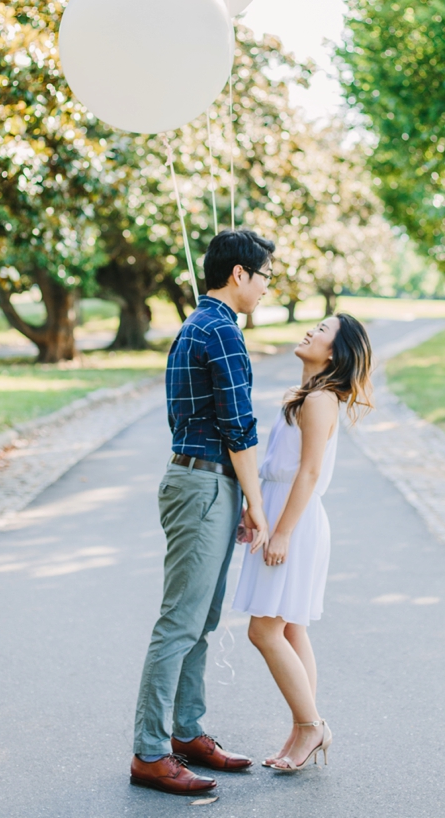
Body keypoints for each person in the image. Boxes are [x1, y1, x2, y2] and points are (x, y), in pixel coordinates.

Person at [130, 229, 276, 796]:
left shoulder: (199, 326)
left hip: (202, 482)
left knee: (201, 620)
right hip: (202, 485)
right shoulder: (222, 332)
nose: (266, 287)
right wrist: (257, 507)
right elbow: (239, 428)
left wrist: (236, 498)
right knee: (180, 622)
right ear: (238, 274)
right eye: (264, 276)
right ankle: (149, 750)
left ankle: (187, 733)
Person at [232, 312, 373, 772]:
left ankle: (312, 726)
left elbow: (309, 473)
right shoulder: (306, 396)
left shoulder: (320, 401)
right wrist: (257, 511)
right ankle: (302, 730)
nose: (311, 330)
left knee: (264, 630)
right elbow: (281, 465)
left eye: (322, 330)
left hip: (297, 521)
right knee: (291, 628)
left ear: (334, 351)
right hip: (282, 512)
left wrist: (284, 531)